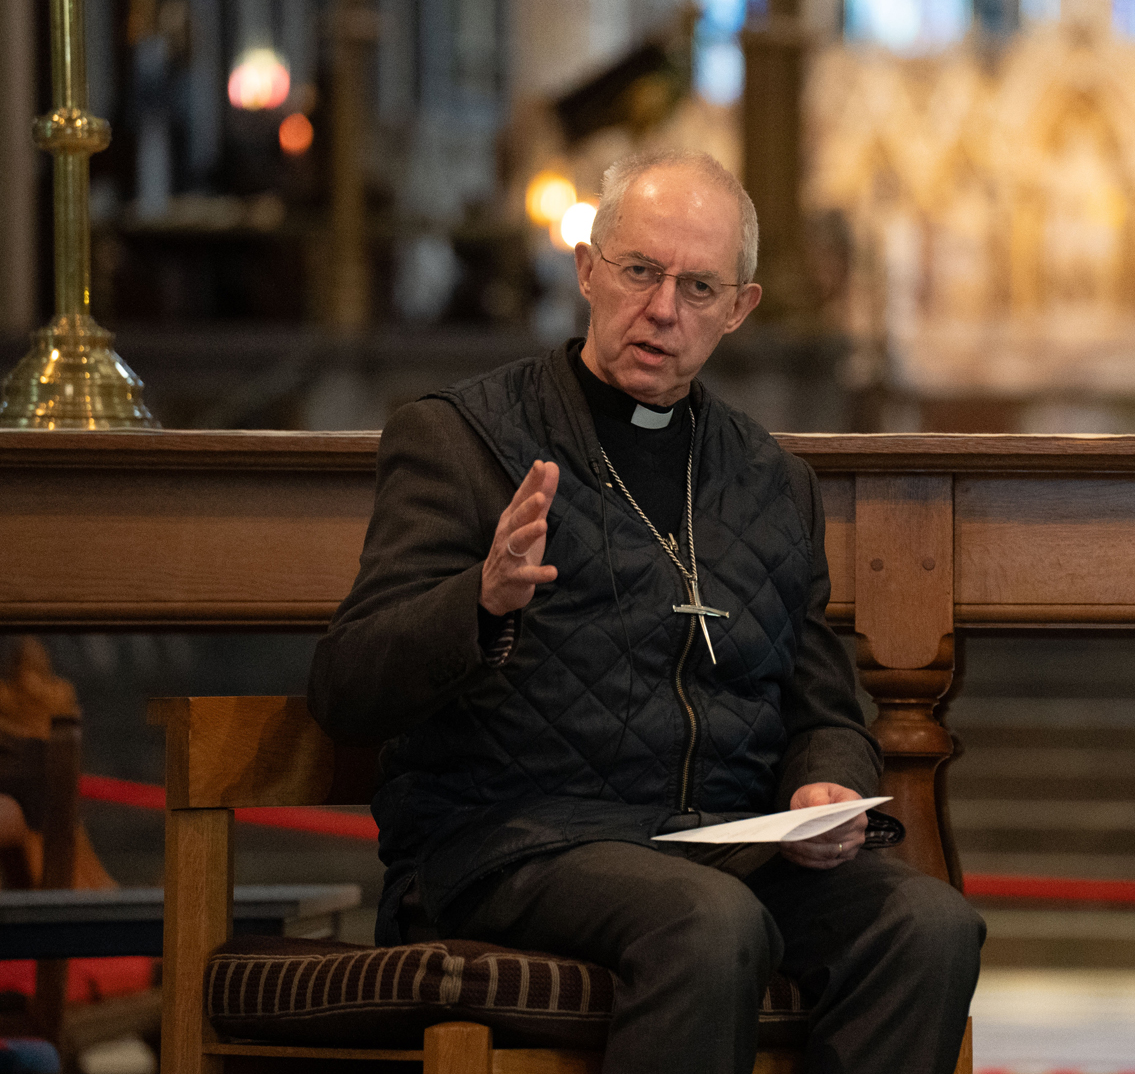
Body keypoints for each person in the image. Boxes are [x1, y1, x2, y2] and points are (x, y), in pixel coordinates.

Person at [308, 149, 983, 1074]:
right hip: (513, 841)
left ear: (739, 310)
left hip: (720, 845)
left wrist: (825, 780)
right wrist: (479, 599)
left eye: (699, 286)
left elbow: (821, 706)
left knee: (928, 925)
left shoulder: (770, 482)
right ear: (588, 267)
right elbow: (346, 685)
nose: (663, 309)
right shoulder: (462, 439)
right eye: (640, 272)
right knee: (707, 921)